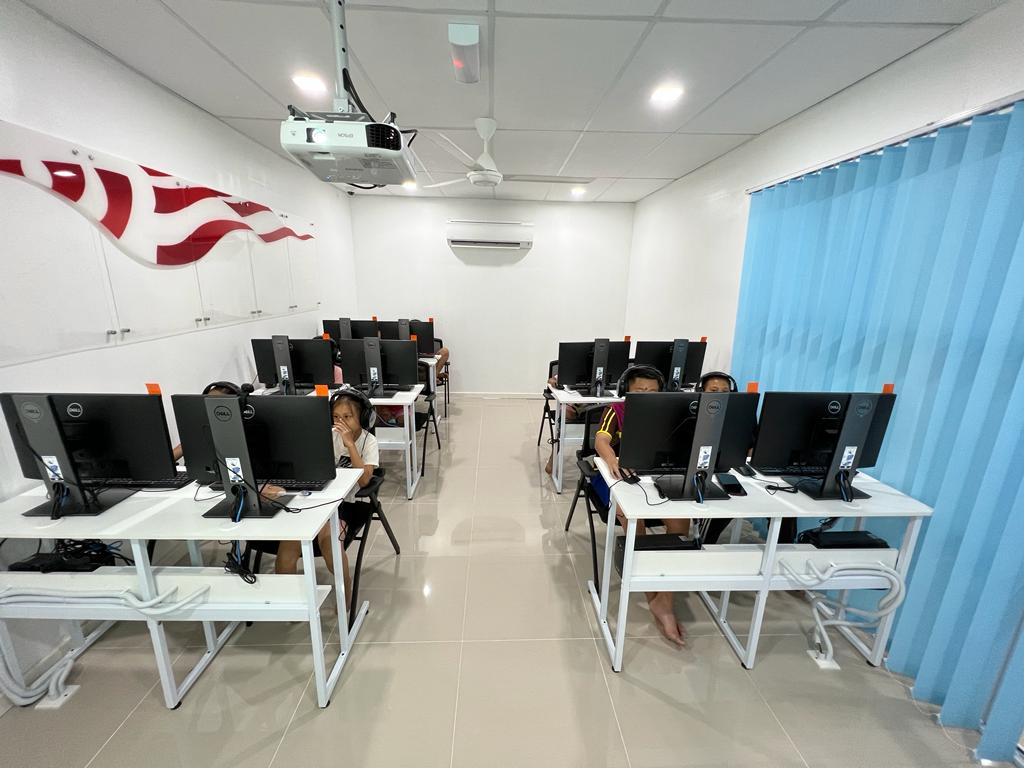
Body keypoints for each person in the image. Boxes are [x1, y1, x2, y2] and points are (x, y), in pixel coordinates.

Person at [592, 365, 690, 648]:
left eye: (653, 391)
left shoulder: (671, 414)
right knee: (634, 521)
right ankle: (651, 591)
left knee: (681, 525)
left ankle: (664, 598)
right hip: (621, 477)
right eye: (640, 390)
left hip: (659, 477)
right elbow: (601, 439)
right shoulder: (617, 410)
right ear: (627, 391)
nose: (647, 395)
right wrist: (612, 459)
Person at [273, 388, 378, 607]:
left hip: (345, 504)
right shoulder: (327, 436)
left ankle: (346, 592)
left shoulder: (368, 441)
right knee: (288, 547)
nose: (341, 422)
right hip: (316, 498)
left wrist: (350, 445)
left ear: (363, 417)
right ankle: (290, 603)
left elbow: (364, 480)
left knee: (330, 543)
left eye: (347, 416)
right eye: (336, 417)